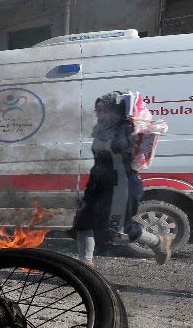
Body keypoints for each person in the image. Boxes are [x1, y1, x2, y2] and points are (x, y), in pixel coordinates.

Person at [73, 92, 171, 266]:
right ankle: (84, 264)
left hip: (121, 185)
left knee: (118, 231)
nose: (98, 114)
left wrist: (126, 125)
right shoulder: (101, 129)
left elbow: (119, 147)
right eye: (97, 110)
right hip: (98, 183)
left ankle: (158, 242)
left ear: (114, 111)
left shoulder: (127, 128)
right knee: (83, 221)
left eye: (102, 110)